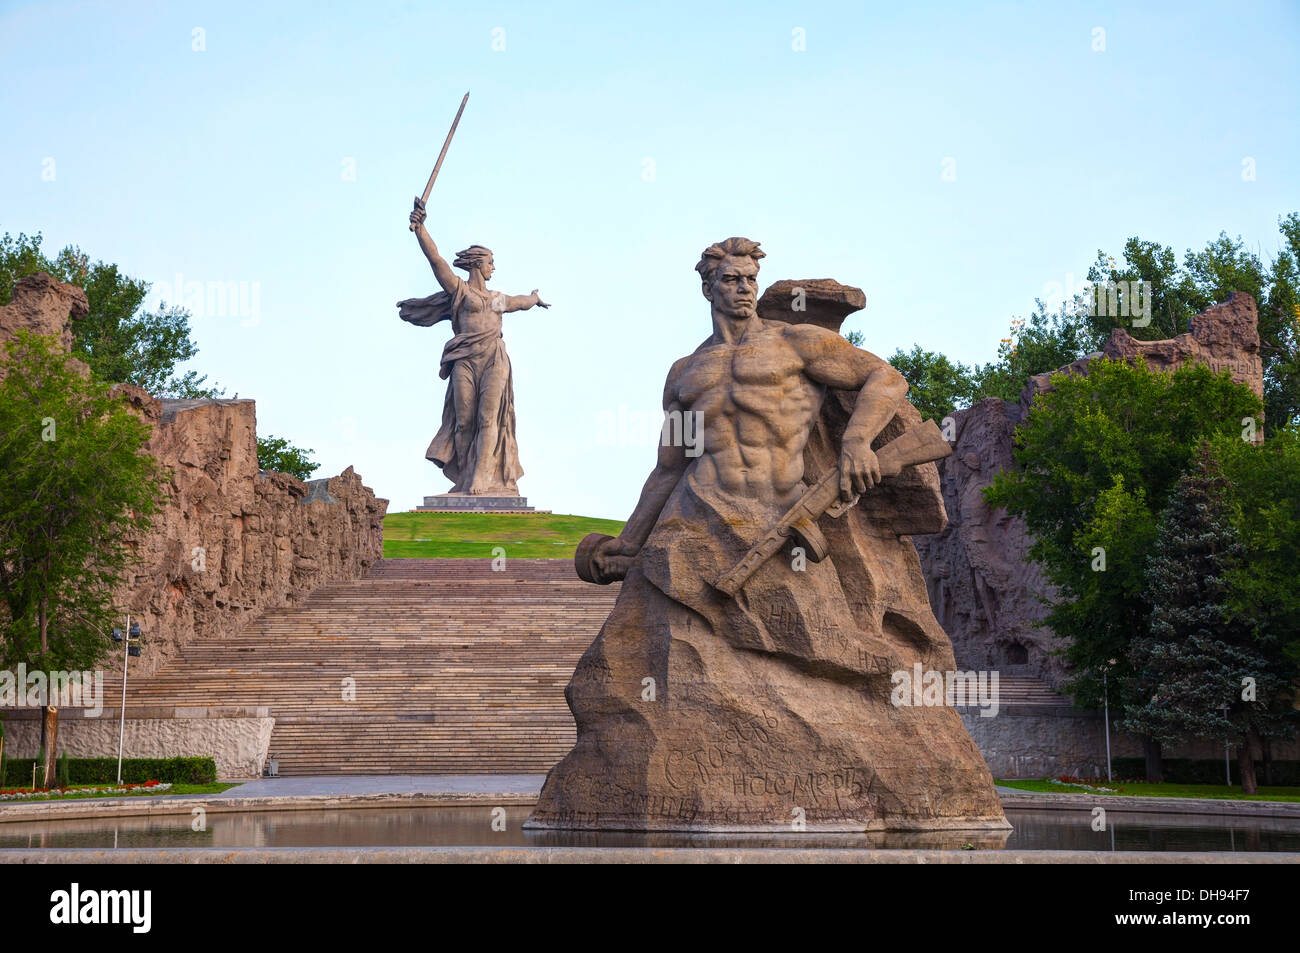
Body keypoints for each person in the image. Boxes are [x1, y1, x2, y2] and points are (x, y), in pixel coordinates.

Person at [399, 197, 549, 495]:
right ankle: (465, 479)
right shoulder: (461, 292)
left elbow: (520, 302)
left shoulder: (495, 298)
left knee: (488, 417)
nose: (494, 267)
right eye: (491, 262)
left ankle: (482, 479)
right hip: (464, 360)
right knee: (464, 422)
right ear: (478, 264)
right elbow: (436, 261)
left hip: (494, 358)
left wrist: (534, 298)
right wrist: (420, 229)